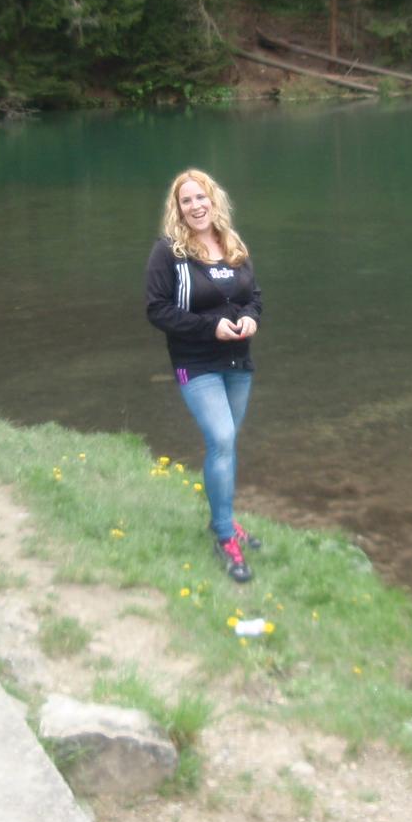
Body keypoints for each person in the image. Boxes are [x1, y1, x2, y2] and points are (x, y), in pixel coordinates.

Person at [144, 168, 264, 583]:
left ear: (214, 200)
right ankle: (225, 536)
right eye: (187, 200)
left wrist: (251, 318)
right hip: (195, 362)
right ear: (177, 208)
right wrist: (210, 328)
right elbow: (157, 309)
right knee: (222, 439)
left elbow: (254, 297)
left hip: (238, 361)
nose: (196, 206)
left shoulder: (232, 243)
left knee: (225, 446)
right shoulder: (168, 252)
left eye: (201, 197)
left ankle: (223, 519)